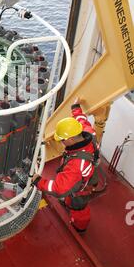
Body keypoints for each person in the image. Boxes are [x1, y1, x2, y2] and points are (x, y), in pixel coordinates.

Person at [34, 98, 99, 233]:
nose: (61, 143)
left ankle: (80, 226)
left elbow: (59, 189)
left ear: (70, 140)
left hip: (80, 187)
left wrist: (38, 181)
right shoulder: (87, 132)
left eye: (62, 140)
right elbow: (81, 119)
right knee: (79, 188)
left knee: (78, 206)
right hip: (89, 171)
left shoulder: (76, 165)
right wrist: (76, 107)